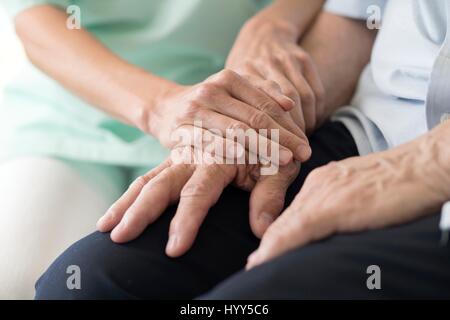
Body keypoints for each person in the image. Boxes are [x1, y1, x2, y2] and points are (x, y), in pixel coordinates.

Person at [34, 0, 450, 299]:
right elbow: (357, 20)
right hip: (365, 136)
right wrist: (264, 119)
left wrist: (428, 163)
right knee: (90, 283)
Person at [0, 0, 326, 299]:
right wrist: (160, 107)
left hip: (234, 111)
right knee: (17, 279)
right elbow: (34, 18)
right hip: (75, 111)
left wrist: (274, 22)